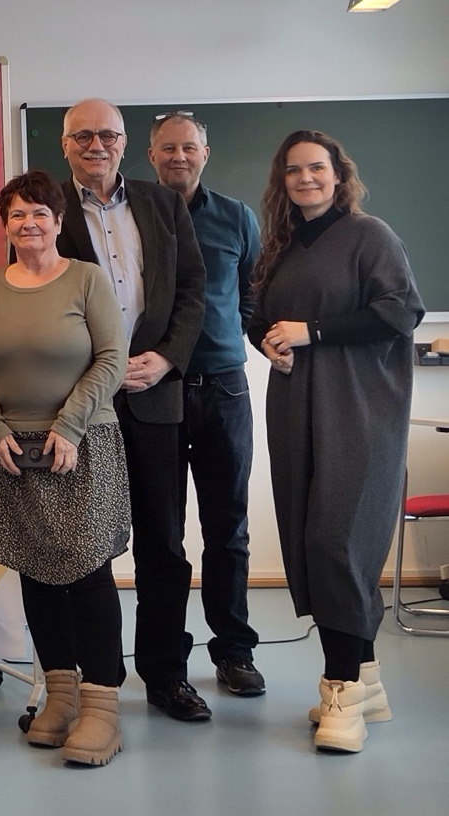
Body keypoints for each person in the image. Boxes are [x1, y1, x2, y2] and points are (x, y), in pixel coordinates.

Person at [247, 130, 424, 753]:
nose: (306, 178)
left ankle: (341, 690)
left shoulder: (370, 236)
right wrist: (268, 344)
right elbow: (258, 316)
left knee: (337, 541)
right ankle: (366, 680)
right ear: (283, 181)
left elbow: (401, 311)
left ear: (338, 174)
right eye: (293, 170)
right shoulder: (281, 246)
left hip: (359, 409)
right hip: (295, 407)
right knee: (308, 537)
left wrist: (313, 332)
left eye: (316, 167)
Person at [0, 170, 130, 766]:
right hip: (12, 450)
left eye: (39, 213)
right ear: (4, 226)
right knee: (36, 573)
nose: (28, 223)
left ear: (59, 221)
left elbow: (112, 357)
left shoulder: (86, 279)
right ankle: (60, 695)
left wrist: (70, 425)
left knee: (87, 572)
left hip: (81, 444)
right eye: (16, 214)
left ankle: (102, 707)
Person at [56, 98, 208, 722]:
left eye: (108, 135)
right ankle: (93, 679)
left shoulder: (164, 203)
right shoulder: (46, 208)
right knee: (81, 545)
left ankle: (166, 675)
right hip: (79, 404)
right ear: (65, 144)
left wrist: (168, 358)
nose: (96, 145)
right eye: (83, 136)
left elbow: (194, 290)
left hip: (155, 398)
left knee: (163, 545)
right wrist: (95, 370)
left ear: (124, 143)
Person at [147, 112, 264, 696]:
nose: (179, 156)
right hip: (155, 391)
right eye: (168, 148)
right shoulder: (136, 213)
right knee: (162, 535)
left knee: (227, 529)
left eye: (188, 147)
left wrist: (229, 333)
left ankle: (234, 651)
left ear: (205, 153)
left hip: (224, 388)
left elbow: (253, 288)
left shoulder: (237, 217)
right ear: (151, 156)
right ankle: (166, 664)